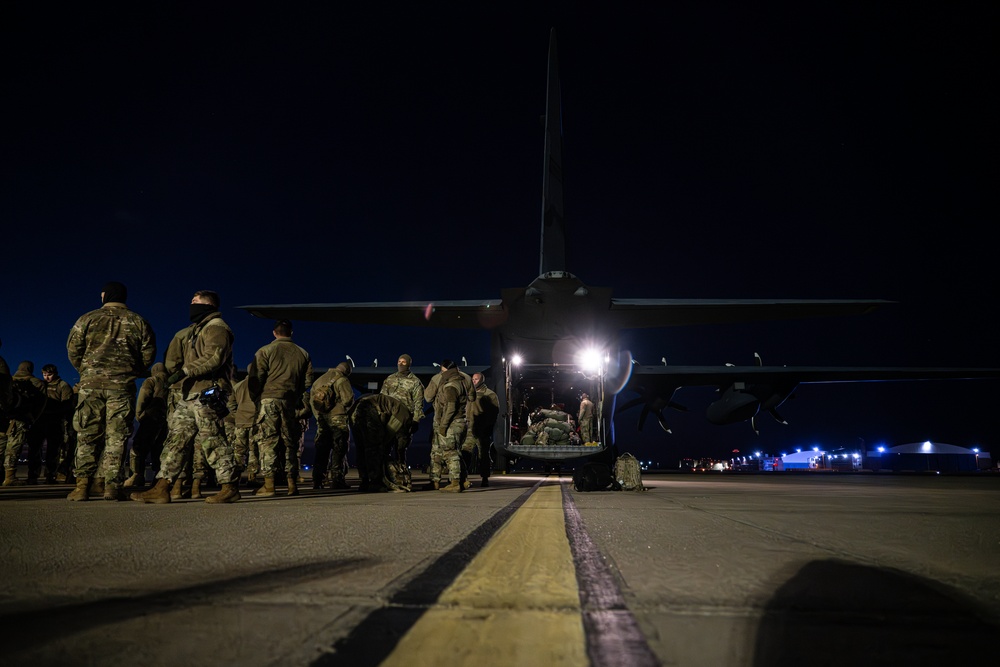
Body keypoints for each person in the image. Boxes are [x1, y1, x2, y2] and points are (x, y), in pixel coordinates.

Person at [131, 289, 237, 504]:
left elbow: (213, 357)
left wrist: (185, 372)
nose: (191, 305)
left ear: (208, 305)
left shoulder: (217, 328)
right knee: (175, 441)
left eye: (195, 301)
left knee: (212, 439)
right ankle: (162, 486)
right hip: (189, 394)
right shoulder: (196, 331)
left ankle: (229, 486)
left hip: (208, 391)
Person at [66, 281, 156, 500]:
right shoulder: (138, 321)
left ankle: (82, 487)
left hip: (91, 386)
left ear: (104, 296)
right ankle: (111, 487)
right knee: (117, 437)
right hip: (121, 387)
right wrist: (131, 371)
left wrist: (87, 371)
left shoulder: (87, 319)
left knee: (87, 434)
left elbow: (73, 350)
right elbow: (148, 354)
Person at [248, 319, 313, 497]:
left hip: (269, 399)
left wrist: (258, 398)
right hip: (290, 402)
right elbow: (307, 381)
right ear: (291, 333)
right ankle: (292, 484)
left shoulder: (265, 351)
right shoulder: (303, 353)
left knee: (268, 441)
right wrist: (295, 394)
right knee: (290, 443)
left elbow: (256, 378)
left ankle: (269, 485)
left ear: (274, 333)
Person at [350, 393, 413, 492]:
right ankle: (376, 482)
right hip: (368, 409)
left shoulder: (395, 406)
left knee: (362, 448)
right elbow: (388, 436)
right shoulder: (404, 415)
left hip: (354, 410)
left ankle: (365, 481)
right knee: (374, 447)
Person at [310, 361, 355, 489]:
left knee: (321, 450)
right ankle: (337, 480)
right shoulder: (342, 380)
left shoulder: (319, 380)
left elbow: (312, 402)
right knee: (339, 449)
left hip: (322, 420)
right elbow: (347, 400)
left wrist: (319, 416)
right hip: (338, 419)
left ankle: (318, 480)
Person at [123, 362, 169, 487]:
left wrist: (139, 415)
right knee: (159, 449)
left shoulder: (152, 380)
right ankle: (157, 477)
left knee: (138, 448)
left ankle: (137, 475)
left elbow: (143, 397)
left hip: (151, 417)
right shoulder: (171, 382)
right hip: (166, 419)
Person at [2, 361, 47, 486]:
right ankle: (10, 477)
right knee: (14, 448)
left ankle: (3, 476)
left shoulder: (10, 380)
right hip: (21, 419)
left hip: (5, 419)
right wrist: (33, 419)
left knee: (2, 447)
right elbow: (41, 404)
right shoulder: (37, 383)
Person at [31, 364, 74, 484]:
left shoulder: (62, 385)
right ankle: (33, 474)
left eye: (49, 375)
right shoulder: (40, 385)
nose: (47, 377)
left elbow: (67, 404)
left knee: (53, 451)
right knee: (35, 449)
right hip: (39, 422)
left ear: (55, 374)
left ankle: (51, 475)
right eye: (44, 375)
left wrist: (53, 410)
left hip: (55, 422)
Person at [431, 359, 469, 492]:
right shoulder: (460, 381)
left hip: (453, 423)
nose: (441, 374)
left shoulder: (450, 386)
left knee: (450, 452)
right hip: (461, 422)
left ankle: (455, 483)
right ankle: (463, 480)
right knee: (457, 452)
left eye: (442, 371)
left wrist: (443, 425)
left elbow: (451, 408)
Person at [380, 354, 425, 454]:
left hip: (405, 418)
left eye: (403, 362)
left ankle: (401, 464)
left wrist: (416, 420)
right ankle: (386, 467)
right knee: (385, 445)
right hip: (390, 418)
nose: (401, 364)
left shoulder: (415, 382)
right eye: (399, 362)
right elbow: (382, 398)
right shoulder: (390, 379)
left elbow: (418, 402)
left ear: (408, 364)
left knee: (401, 446)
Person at [463, 372, 499, 488]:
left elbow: (494, 413)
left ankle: (485, 478)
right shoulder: (468, 394)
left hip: (482, 430)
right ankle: (463, 477)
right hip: (469, 429)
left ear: (482, 380)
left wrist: (488, 426)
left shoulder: (490, 394)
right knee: (465, 453)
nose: (474, 381)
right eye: (473, 379)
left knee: (483, 455)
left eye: (476, 379)